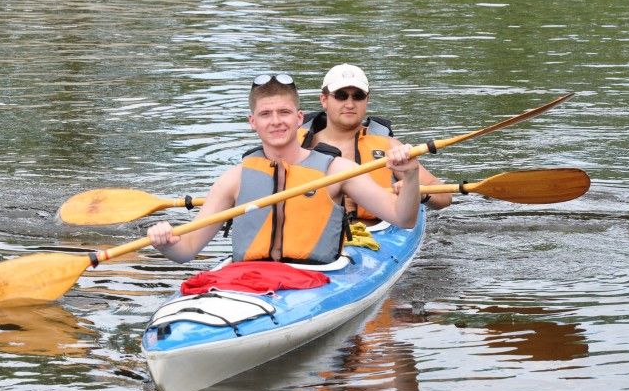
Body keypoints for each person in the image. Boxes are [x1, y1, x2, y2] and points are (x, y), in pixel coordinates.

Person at [147, 74, 423, 264]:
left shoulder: (337, 170)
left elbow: (403, 217)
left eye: (284, 112)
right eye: (266, 114)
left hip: (317, 278)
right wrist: (166, 243)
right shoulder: (234, 180)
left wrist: (410, 175)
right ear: (252, 122)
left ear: (299, 117)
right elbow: (188, 250)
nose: (276, 122)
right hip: (251, 279)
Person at [299, 64, 451, 222]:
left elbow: (444, 197)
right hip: (316, 231)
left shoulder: (390, 146)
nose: (350, 104)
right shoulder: (298, 146)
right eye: (341, 96)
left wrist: (417, 191)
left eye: (358, 96)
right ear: (324, 100)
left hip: (375, 233)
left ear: (367, 100)